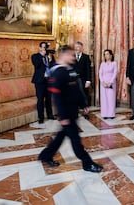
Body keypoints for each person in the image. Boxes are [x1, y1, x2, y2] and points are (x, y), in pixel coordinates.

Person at [38, 45, 103, 173]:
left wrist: (83, 104)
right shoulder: (57, 72)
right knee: (75, 140)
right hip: (66, 113)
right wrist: (62, 116)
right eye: (71, 55)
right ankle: (87, 163)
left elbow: (76, 90)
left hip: (73, 111)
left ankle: (45, 155)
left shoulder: (70, 69)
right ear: (63, 55)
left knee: (61, 136)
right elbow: (56, 97)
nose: (73, 57)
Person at [31, 41, 55, 124]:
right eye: (44, 47)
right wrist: (42, 56)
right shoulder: (35, 56)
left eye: (46, 47)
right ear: (40, 48)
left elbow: (54, 66)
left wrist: (51, 60)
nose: (45, 49)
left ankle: (50, 115)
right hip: (39, 81)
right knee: (40, 99)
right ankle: (40, 117)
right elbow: (36, 65)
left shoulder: (50, 56)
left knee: (48, 99)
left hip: (49, 80)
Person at [99, 49, 117, 119]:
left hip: (111, 83)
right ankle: (105, 114)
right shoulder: (102, 64)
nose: (106, 55)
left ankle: (111, 114)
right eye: (105, 54)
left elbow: (115, 73)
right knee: (104, 99)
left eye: (107, 54)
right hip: (103, 84)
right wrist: (102, 82)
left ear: (111, 55)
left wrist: (110, 82)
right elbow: (100, 73)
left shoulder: (114, 63)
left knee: (111, 99)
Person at [74, 41, 92, 105]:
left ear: (81, 48)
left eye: (78, 47)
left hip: (83, 79)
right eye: (75, 47)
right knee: (74, 94)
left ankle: (85, 108)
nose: (76, 48)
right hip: (74, 79)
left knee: (84, 94)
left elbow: (88, 69)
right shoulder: (72, 57)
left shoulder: (86, 57)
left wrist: (88, 80)